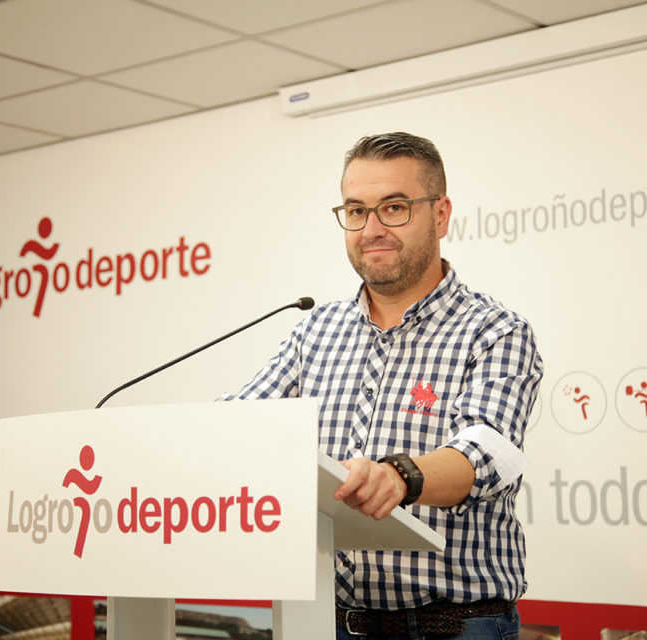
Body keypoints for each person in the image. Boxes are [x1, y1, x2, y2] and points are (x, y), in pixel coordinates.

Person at [223, 132, 543, 639]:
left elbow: (486, 453)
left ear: (440, 215)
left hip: (450, 627)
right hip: (323, 623)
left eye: (393, 208)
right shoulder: (314, 330)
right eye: (355, 211)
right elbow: (237, 424)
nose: (371, 229)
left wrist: (400, 476)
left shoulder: (494, 330)